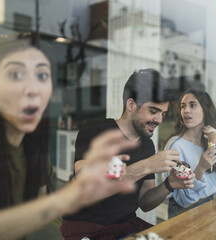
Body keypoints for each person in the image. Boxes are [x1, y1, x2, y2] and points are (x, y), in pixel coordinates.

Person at [0, 39, 138, 240]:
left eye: (42, 75)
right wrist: (65, 198)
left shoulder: (33, 140)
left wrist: (83, 188)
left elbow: (39, 208)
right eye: (16, 74)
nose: (33, 89)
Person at [61, 69, 195, 240]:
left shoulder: (147, 145)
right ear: (131, 105)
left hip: (125, 226)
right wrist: (147, 166)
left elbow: (145, 203)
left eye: (162, 113)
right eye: (153, 111)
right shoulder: (94, 130)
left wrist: (169, 185)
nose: (159, 120)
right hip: (87, 227)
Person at [164, 89, 216, 218]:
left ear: (205, 110)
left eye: (193, 105)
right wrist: (200, 168)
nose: (186, 110)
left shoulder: (211, 140)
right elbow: (185, 200)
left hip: (212, 205)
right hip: (185, 213)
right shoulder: (176, 146)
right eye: (183, 107)